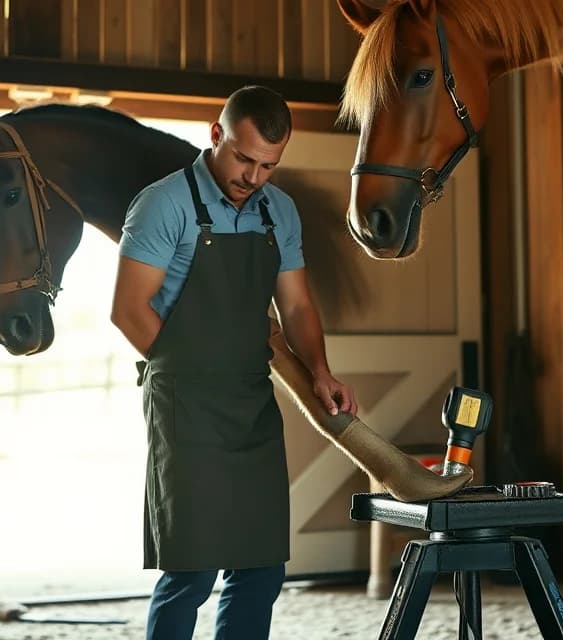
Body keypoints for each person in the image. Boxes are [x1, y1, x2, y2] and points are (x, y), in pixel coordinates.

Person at [111, 85, 357, 640]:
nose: (254, 176)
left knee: (260, 566)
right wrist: (191, 369)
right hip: (185, 404)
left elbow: (295, 304)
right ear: (216, 134)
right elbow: (128, 311)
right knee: (192, 570)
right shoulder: (162, 203)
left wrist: (319, 369)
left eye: (268, 165)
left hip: (250, 402)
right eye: (244, 159)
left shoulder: (279, 211)